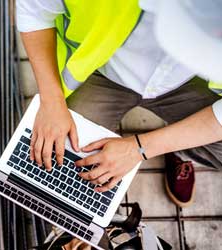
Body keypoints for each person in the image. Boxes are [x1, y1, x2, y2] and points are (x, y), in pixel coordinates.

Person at [16, 0, 222, 208]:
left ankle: (176, 145)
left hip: (187, 83)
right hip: (103, 71)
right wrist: (51, 102)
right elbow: (33, 12)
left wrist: (140, 149)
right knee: (62, 158)